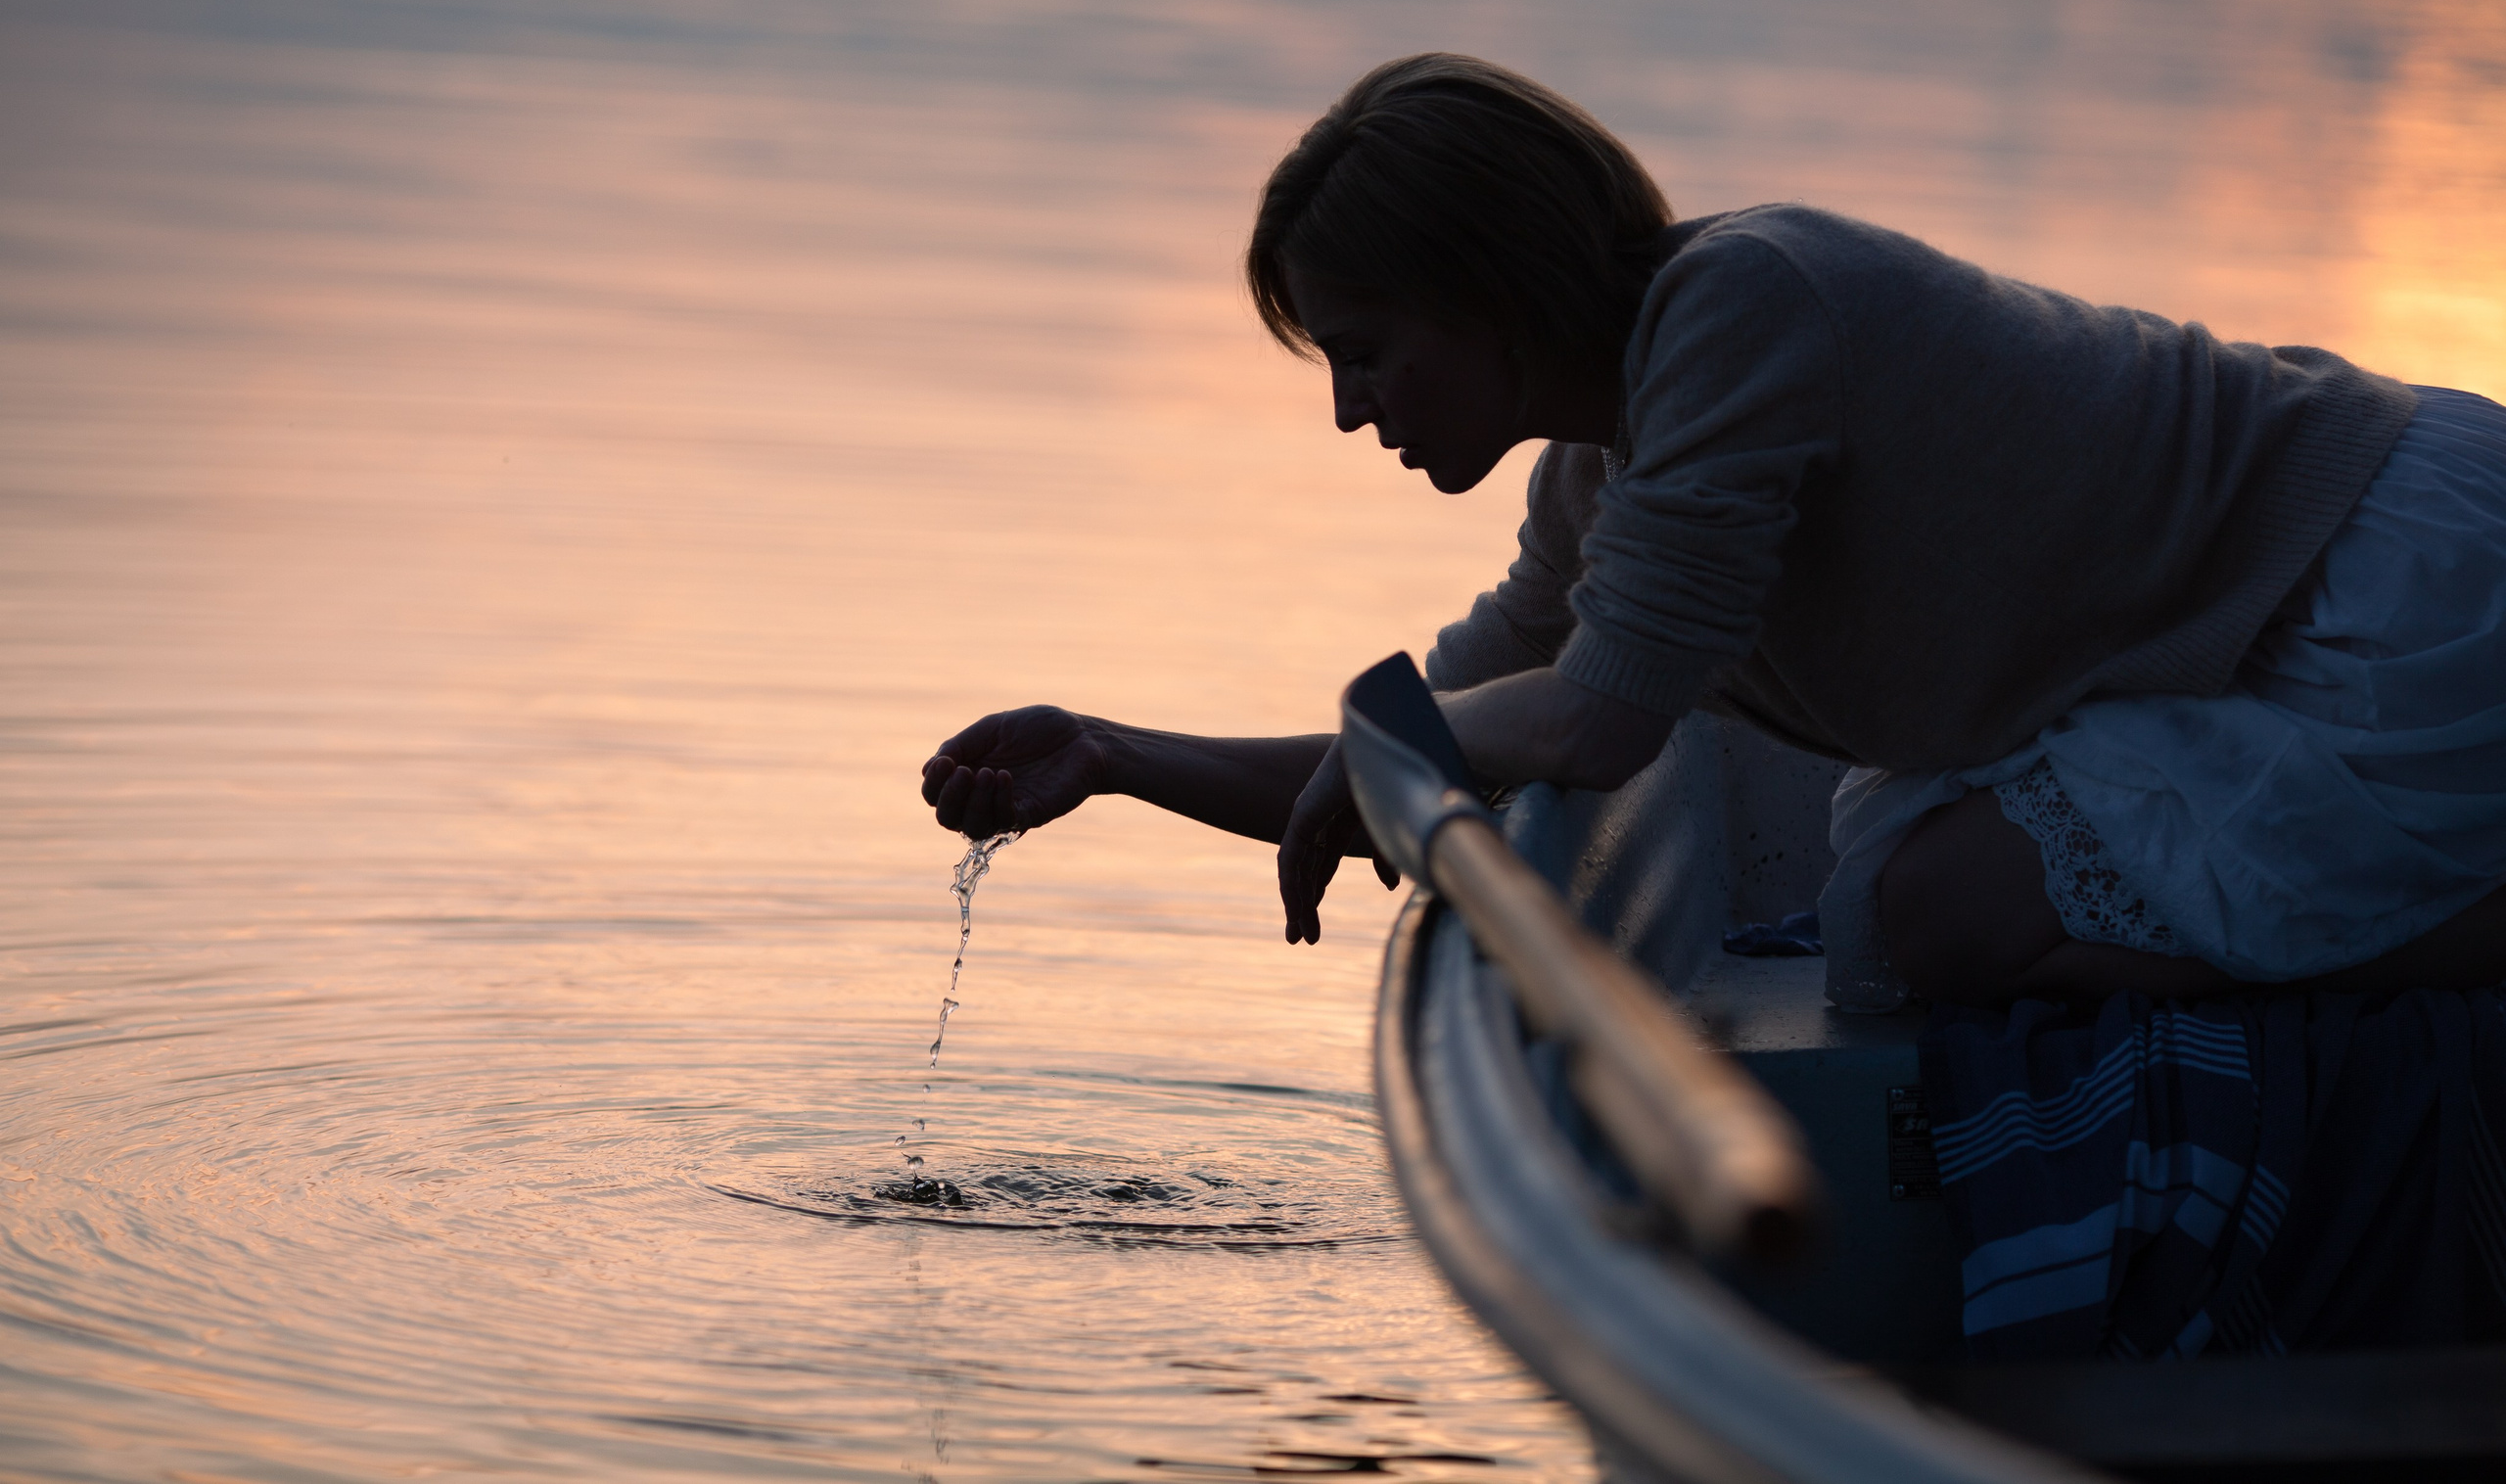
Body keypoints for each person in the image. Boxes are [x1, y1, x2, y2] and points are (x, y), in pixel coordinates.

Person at [922, 52, 2506, 1007]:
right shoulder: (1602, 477)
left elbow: (1588, 724)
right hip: (2225, 647)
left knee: (1925, 917)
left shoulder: (1742, 307)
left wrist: (1398, 745)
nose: (1350, 411)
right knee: (1916, 909)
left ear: (1490, 291)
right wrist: (1120, 755)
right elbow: (1439, 726)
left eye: (1366, 348)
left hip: (2387, 590)